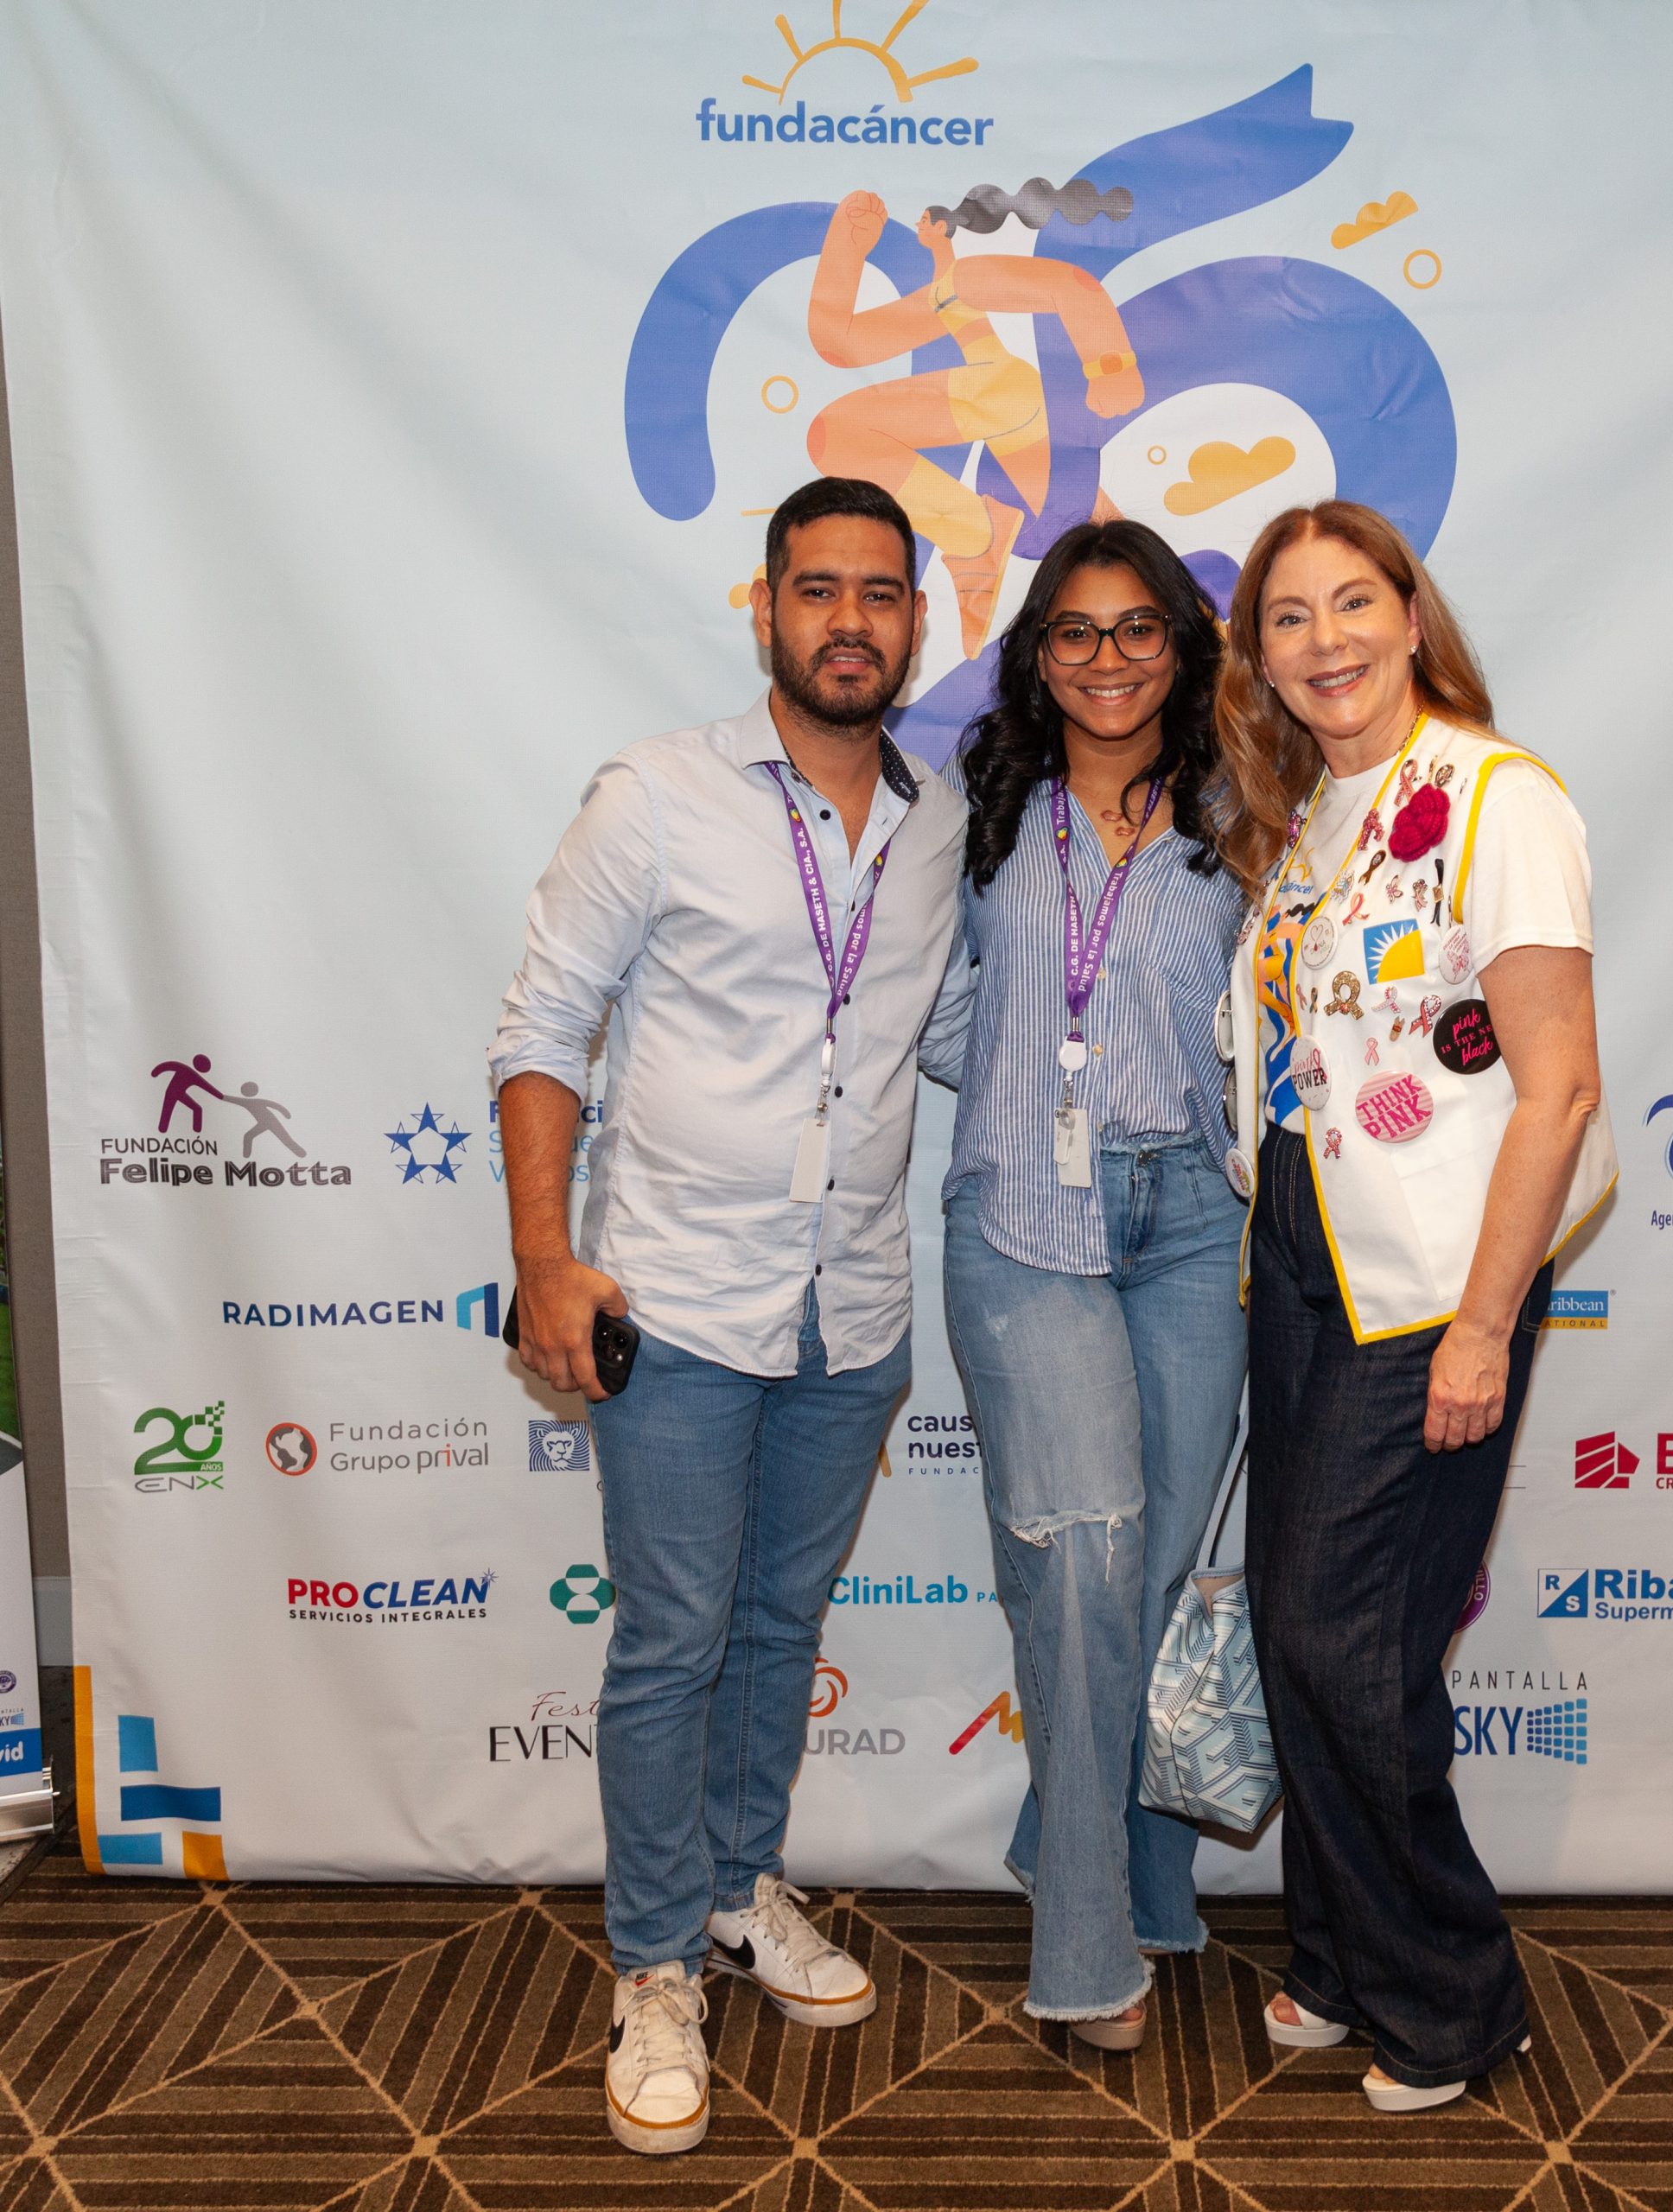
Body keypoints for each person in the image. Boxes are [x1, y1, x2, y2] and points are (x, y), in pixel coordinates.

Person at [488, 477, 970, 2157]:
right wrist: (545, 1259)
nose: (850, 621)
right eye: (817, 589)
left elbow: (945, 1028)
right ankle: (650, 1965)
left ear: (916, 621)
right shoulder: (657, 795)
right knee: (673, 1636)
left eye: (880, 594)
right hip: (679, 1299)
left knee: (776, 1623)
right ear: (764, 607)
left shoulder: (937, 821)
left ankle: (737, 1888)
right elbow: (541, 1028)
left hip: (852, 1304)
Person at [1208, 500, 1616, 2112]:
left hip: (1434, 1285)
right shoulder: (1318, 812)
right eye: (1286, 618)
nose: (1323, 641)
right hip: (1307, 1252)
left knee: (1349, 1640)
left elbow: (1558, 1090)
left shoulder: (1496, 798)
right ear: (1259, 659)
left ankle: (1451, 1994)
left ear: (1409, 612)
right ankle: (1337, 1954)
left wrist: (1480, 1327)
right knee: (1300, 1630)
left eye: (1350, 603)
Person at [941, 518, 1245, 2045]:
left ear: (1181, 648)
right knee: (1078, 1569)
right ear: (1037, 653)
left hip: (1196, 1221)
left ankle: (1125, 1866)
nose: (1108, 658)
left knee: (1159, 1575)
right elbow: (930, 1004)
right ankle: (1081, 1946)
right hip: (1023, 1217)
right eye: (1075, 629)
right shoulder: (981, 812)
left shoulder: (1249, 814)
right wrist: (1024, 1080)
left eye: (1139, 629)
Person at [806, 188, 1143, 655]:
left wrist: (1111, 366)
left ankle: (971, 537)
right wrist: (848, 247)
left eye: (930, 222)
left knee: (836, 433)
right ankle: (973, 538)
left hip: (1007, 394)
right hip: (1010, 408)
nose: (920, 228)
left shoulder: (969, 277)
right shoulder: (945, 291)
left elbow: (1073, 285)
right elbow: (841, 343)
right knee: (1102, 537)